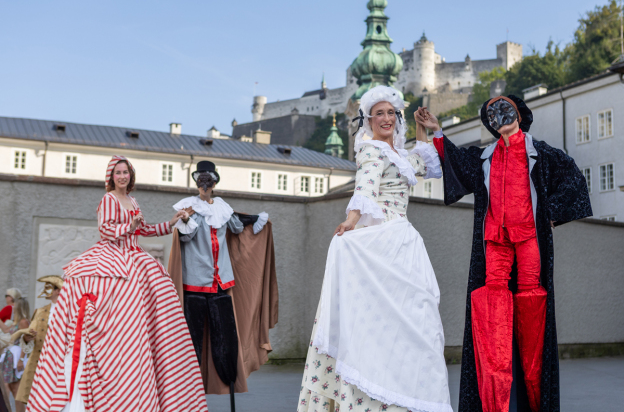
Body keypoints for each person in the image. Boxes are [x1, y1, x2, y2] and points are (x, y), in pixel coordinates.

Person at [416, 95, 592, 412]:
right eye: (492, 114)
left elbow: (574, 179)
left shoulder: (541, 153)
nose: (499, 115)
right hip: (495, 239)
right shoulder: (485, 156)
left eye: (504, 109)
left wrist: (550, 213)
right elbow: (456, 163)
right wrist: (437, 131)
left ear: (519, 115)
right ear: (491, 124)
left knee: (531, 299)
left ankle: (533, 393)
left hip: (528, 238)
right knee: (492, 303)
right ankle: (495, 398)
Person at [298, 85, 452, 412]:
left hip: (403, 242)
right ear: (368, 120)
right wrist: (351, 220)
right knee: (377, 324)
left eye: (391, 113)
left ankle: (404, 396)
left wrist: (424, 128)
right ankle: (372, 399)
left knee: (415, 324)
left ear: (397, 119)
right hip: (382, 237)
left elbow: (427, 164)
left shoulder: (399, 154)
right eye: (378, 113)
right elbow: (366, 184)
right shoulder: (370, 150)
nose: (385, 118)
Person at [26, 156, 208, 412]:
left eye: (126, 172)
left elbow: (144, 230)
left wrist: (172, 222)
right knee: (119, 297)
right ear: (112, 177)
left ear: (131, 176)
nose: (122, 176)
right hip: (113, 255)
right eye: (118, 172)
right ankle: (110, 354)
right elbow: (106, 230)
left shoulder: (132, 200)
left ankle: (144, 363)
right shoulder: (108, 199)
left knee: (161, 292)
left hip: (134, 255)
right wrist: (128, 226)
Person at [168, 161, 278, 411]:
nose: (204, 186)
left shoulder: (223, 209)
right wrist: (186, 219)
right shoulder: (188, 207)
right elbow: (185, 236)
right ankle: (188, 391)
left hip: (220, 282)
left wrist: (257, 220)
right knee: (192, 339)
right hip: (194, 282)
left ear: (214, 182)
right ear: (197, 183)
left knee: (225, 337)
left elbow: (238, 227)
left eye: (208, 181)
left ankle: (228, 379)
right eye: (200, 181)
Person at [13, 276, 61, 410]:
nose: (45, 289)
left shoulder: (69, 311)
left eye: (49, 286)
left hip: (60, 362)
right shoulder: (40, 312)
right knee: (35, 399)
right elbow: (28, 335)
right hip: (39, 362)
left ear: (58, 291)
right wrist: (25, 340)